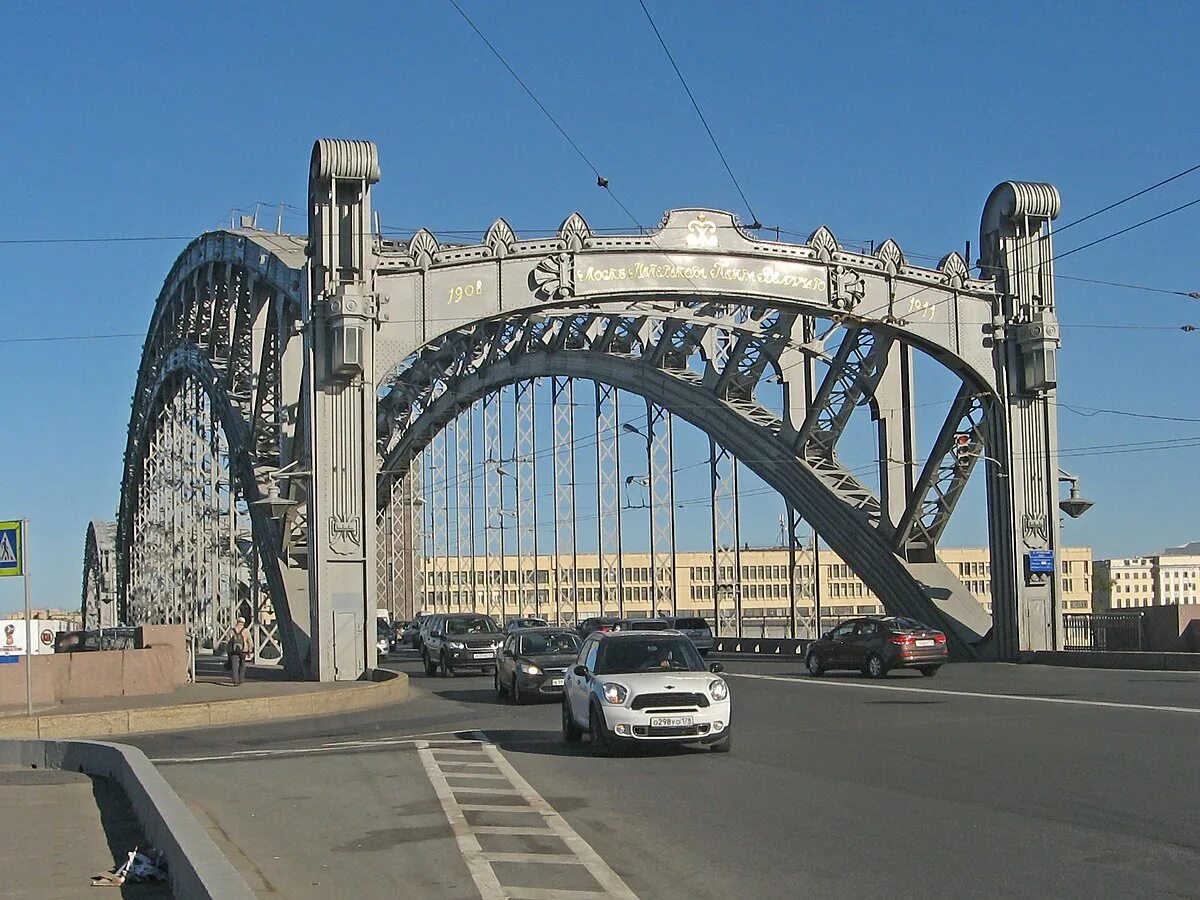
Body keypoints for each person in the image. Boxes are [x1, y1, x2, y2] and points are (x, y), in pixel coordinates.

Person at [227, 618, 254, 686]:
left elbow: (228, 641)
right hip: (243, 650)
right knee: (242, 663)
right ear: (243, 623)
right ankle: (241, 679)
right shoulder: (246, 631)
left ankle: (235, 681)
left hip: (234, 651)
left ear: (237, 622)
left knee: (234, 665)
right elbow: (249, 641)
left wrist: (228, 651)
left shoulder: (231, 630)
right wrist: (250, 650)